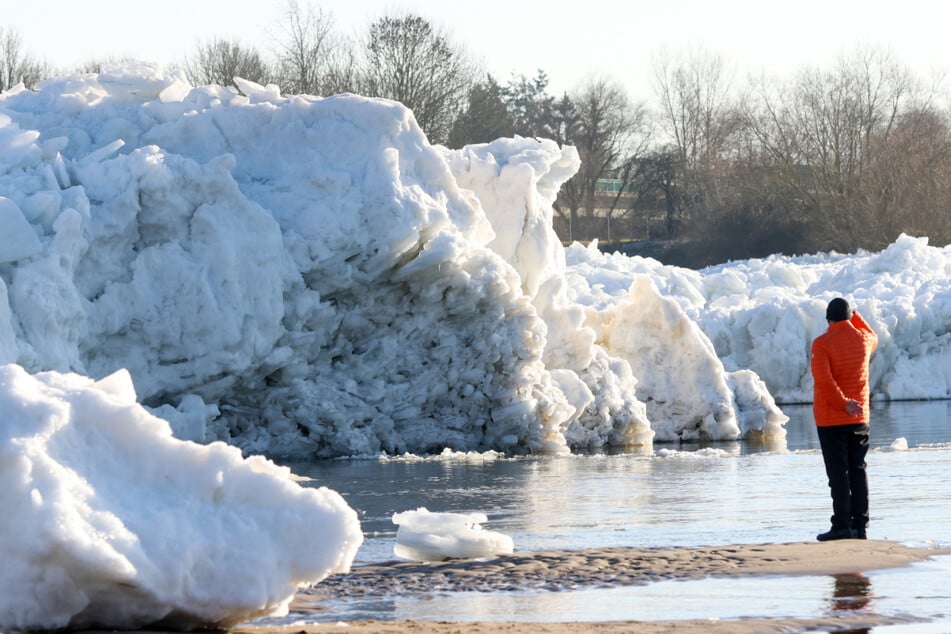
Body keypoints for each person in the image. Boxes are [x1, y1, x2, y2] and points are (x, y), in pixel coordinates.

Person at [811, 297, 878, 541]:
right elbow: (873, 335)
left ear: (829, 319)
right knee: (858, 470)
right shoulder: (864, 340)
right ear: (849, 318)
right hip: (861, 418)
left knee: (838, 474)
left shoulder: (822, 344)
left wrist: (842, 403)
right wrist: (857, 317)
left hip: (832, 419)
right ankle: (860, 526)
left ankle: (841, 524)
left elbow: (824, 381)